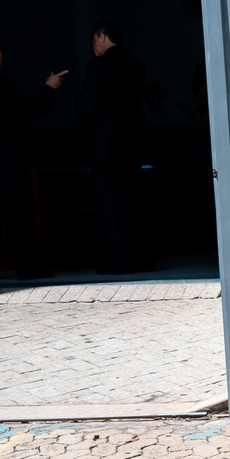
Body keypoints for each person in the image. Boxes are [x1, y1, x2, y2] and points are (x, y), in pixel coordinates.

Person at [0, 32, 66, 280]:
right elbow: (32, 111)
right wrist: (49, 88)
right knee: (18, 219)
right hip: (8, 162)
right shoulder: (1, 85)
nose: (1, 52)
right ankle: (26, 268)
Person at [76, 20, 149, 274]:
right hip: (133, 142)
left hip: (105, 146)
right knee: (135, 200)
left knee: (109, 204)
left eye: (94, 41)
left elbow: (89, 106)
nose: (93, 47)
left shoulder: (98, 65)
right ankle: (142, 257)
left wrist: (81, 134)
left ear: (103, 37)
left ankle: (119, 259)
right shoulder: (136, 64)